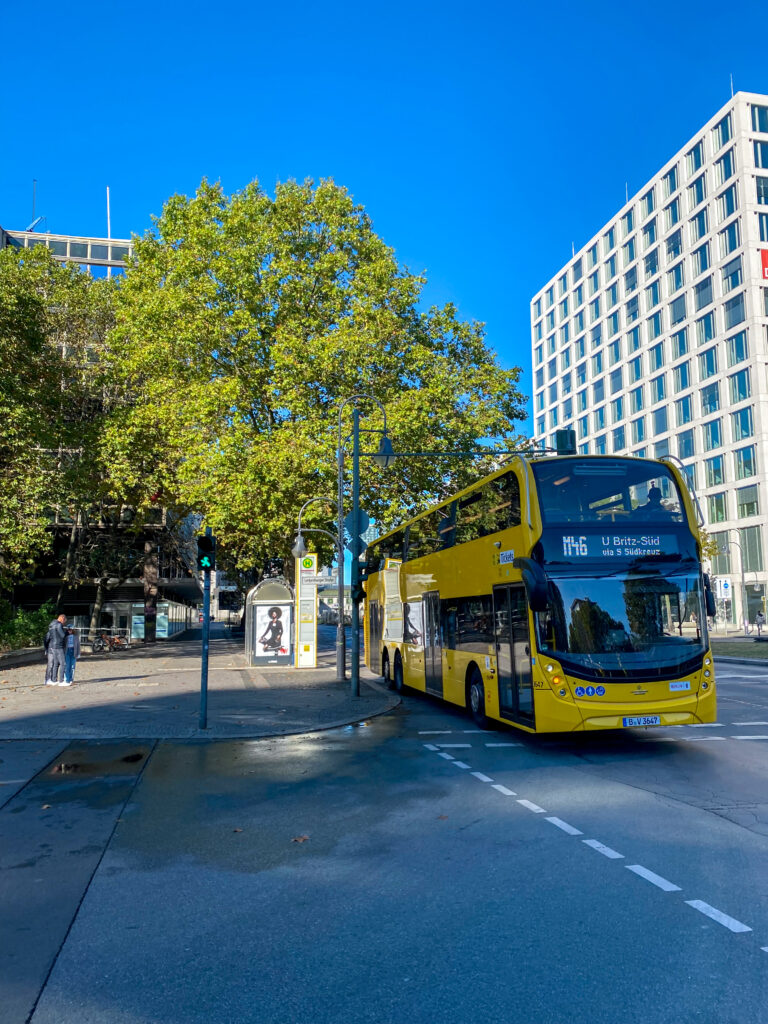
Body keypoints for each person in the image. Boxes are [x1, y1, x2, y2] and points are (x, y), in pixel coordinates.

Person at [44, 613, 68, 686]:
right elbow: (62, 636)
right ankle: (61, 681)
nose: (64, 623)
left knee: (55, 664)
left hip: (52, 646)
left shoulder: (51, 625)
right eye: (64, 621)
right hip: (58, 646)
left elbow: (47, 637)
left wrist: (46, 648)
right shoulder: (59, 625)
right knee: (63, 663)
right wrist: (67, 632)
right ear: (62, 618)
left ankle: (53, 680)